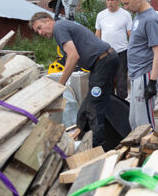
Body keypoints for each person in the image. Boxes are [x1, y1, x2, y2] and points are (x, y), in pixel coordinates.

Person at [29, 11, 118, 147]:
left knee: (94, 108)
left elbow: (73, 56)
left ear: (48, 20)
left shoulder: (59, 28)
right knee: (88, 108)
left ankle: (98, 148)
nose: (40, 33)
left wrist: (60, 86)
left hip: (103, 62)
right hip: (102, 63)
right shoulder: (62, 26)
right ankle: (109, 139)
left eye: (40, 28)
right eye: (37, 31)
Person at [118, 0, 158, 129]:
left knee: (145, 125)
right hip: (137, 75)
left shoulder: (150, 19)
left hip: (146, 75)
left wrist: (152, 82)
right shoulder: (139, 16)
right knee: (134, 123)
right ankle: (138, 152)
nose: (125, 7)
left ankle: (149, 152)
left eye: (126, 3)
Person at [95, 0, 131, 99]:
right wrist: (97, 51)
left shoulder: (125, 15)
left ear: (118, 0)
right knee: (108, 78)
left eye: (112, 0)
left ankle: (123, 101)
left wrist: (133, 49)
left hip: (121, 51)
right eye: (108, 0)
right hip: (106, 53)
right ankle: (110, 102)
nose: (110, 2)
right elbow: (98, 33)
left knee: (121, 79)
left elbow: (130, 33)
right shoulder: (101, 15)